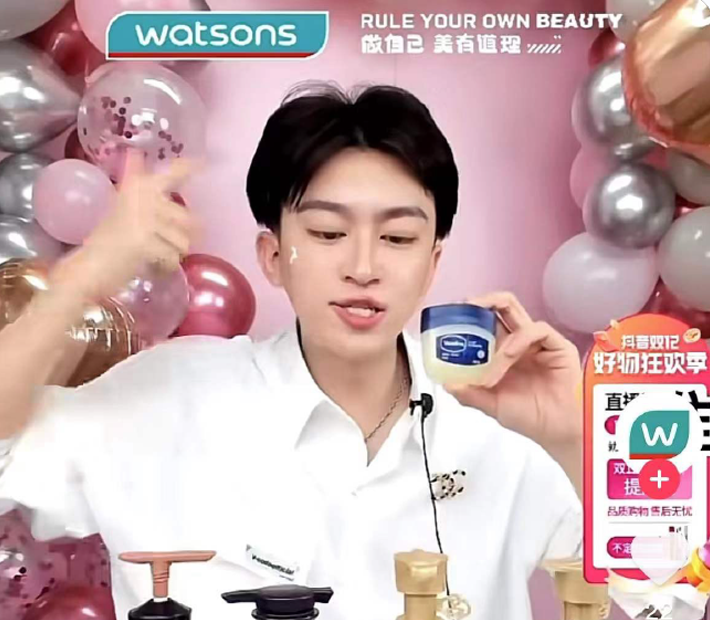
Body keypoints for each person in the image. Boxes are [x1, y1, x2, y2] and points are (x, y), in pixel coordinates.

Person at [0, 82, 584, 620]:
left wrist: (571, 440)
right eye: (328, 233)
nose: (363, 267)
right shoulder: (168, 399)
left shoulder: (503, 431)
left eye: (398, 237)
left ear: (432, 263)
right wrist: (79, 280)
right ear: (273, 256)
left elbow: (641, 589)